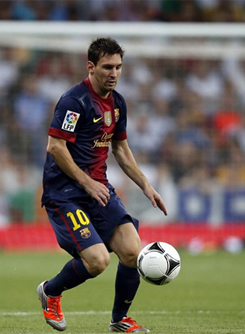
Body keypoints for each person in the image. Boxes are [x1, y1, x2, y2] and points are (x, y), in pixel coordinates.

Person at [37, 37, 167, 332]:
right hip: (66, 193)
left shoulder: (118, 103)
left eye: (119, 67)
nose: (114, 73)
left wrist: (146, 186)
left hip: (99, 189)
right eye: (108, 67)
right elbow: (55, 147)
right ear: (91, 67)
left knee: (133, 250)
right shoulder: (74, 101)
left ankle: (119, 320)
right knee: (96, 261)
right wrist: (86, 183)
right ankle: (50, 291)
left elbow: (120, 148)